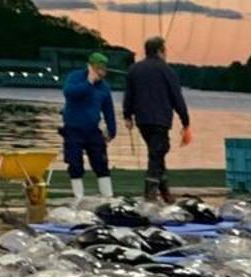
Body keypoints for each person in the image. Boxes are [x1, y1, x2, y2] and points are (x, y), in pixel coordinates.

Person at [122, 36, 190, 203]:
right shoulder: (167, 70)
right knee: (157, 153)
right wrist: (185, 121)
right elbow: (177, 97)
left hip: (142, 119)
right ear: (160, 51)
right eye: (165, 50)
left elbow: (128, 94)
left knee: (157, 153)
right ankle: (150, 193)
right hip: (160, 119)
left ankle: (165, 192)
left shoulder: (134, 69)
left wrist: (127, 115)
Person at [58, 52, 115, 203]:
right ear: (90, 67)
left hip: (93, 130)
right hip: (73, 129)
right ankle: (78, 198)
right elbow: (69, 93)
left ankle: (108, 197)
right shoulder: (75, 77)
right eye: (98, 69)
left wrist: (112, 130)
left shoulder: (104, 87)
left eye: (104, 69)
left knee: (101, 163)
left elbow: (108, 110)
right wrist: (89, 82)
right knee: (75, 164)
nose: (101, 73)